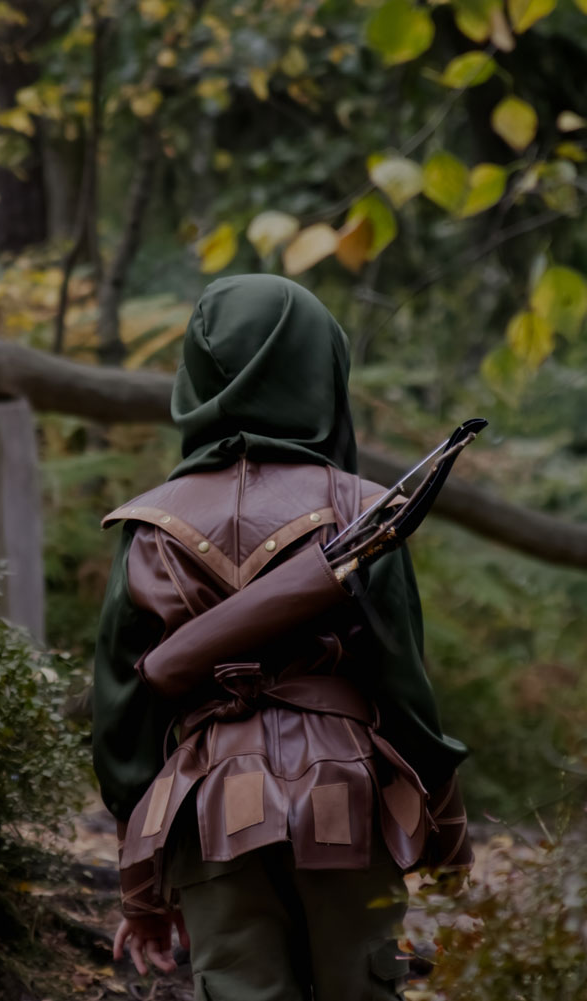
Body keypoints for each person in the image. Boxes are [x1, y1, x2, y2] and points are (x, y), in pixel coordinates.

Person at [92, 274, 472, 999]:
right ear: (321, 370)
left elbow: (124, 723)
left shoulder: (145, 526)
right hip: (347, 798)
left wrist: (140, 886)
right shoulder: (366, 513)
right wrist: (448, 836)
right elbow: (404, 688)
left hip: (206, 808)